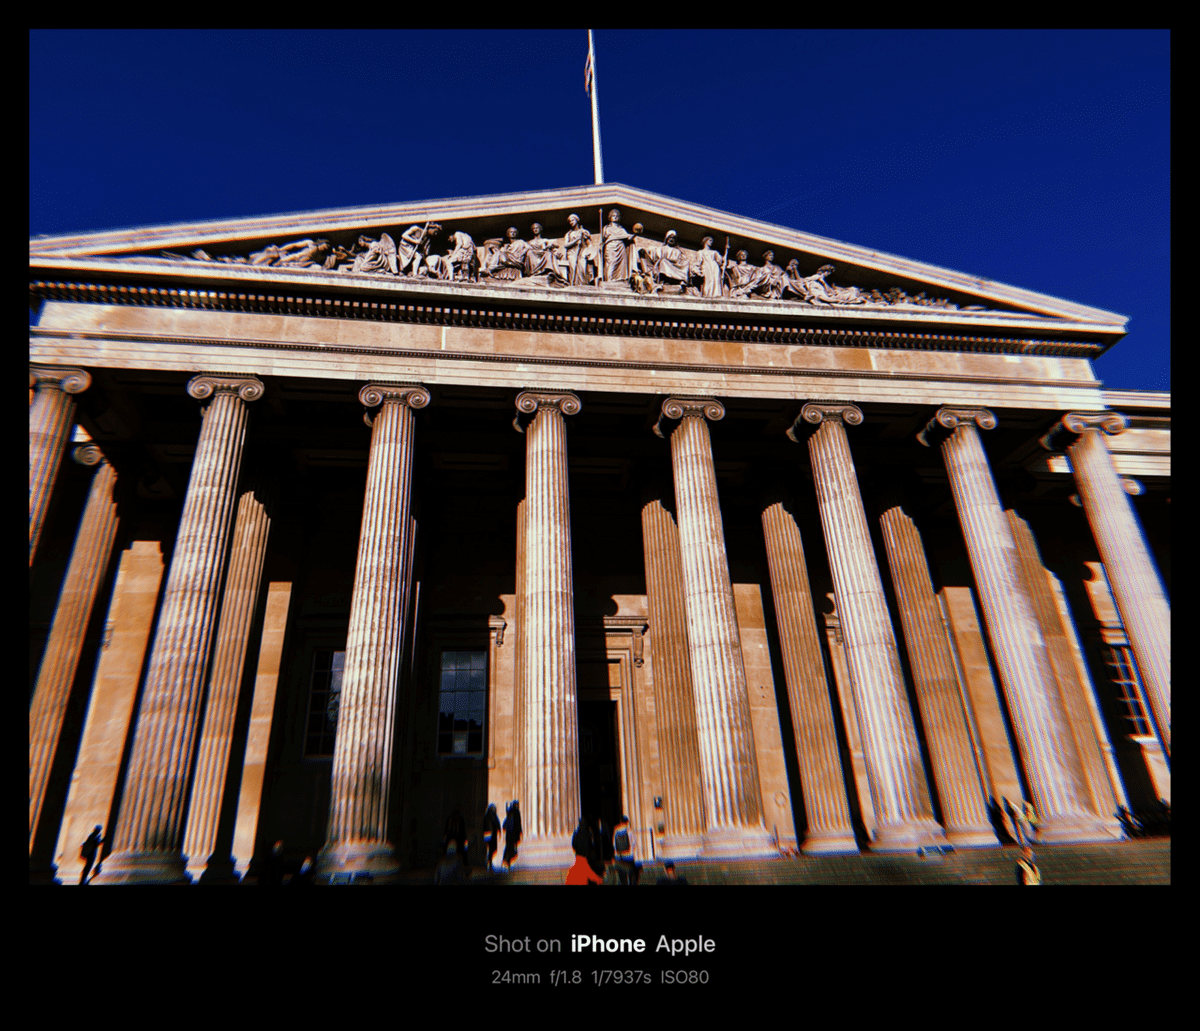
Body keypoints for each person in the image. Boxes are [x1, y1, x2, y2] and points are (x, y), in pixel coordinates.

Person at [601, 208, 635, 283]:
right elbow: (603, 239)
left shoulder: (622, 229)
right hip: (611, 246)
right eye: (613, 216)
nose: (615, 217)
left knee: (622, 265)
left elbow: (629, 237)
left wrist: (636, 233)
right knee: (611, 262)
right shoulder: (606, 228)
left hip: (620, 247)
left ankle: (620, 280)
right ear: (610, 217)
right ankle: (609, 280)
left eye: (617, 216)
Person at [565, 819, 603, 885]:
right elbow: (592, 844)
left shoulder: (576, 833)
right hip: (588, 858)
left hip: (579, 857)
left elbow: (574, 844)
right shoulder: (589, 833)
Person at [612, 814, 639, 886]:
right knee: (631, 875)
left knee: (622, 878)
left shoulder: (616, 830)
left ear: (620, 821)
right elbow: (633, 842)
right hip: (628, 856)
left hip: (619, 856)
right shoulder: (629, 830)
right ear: (627, 822)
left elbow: (614, 844)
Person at [502, 800, 522, 868]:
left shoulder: (511, 813)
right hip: (513, 834)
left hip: (510, 834)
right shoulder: (516, 813)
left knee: (509, 847)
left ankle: (506, 860)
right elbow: (518, 823)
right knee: (511, 847)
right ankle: (507, 860)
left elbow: (505, 826)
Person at [482, 803, 502, 871]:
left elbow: (497, 823)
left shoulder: (494, 816)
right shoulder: (487, 816)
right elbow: (484, 826)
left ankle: (488, 860)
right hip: (488, 834)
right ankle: (489, 861)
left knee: (493, 848)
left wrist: (499, 832)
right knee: (490, 848)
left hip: (493, 835)